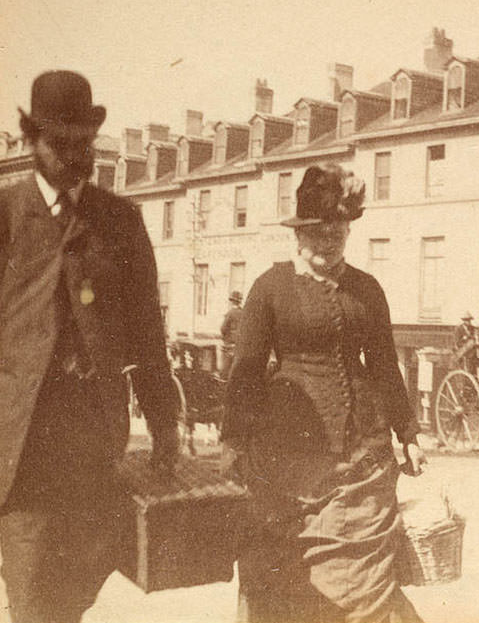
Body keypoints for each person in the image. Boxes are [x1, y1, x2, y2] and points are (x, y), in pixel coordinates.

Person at [0, 71, 180, 623]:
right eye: (61, 143)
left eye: (84, 142)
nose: (76, 155)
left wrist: (166, 428)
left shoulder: (121, 221)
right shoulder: (6, 215)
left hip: (92, 446)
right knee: (32, 597)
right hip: (22, 447)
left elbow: (148, 336)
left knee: (72, 598)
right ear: (33, 142)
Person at [223, 164, 427, 623]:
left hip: (362, 454)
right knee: (285, 578)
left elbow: (383, 365)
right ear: (298, 233)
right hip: (285, 454)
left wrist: (408, 432)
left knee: (365, 582)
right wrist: (233, 439)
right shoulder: (270, 288)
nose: (328, 238)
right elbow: (247, 371)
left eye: (338, 228)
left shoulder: (367, 289)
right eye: (317, 229)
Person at [220, 290, 244, 379]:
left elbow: (223, 328)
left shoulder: (230, 313)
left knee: (225, 370)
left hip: (229, 345)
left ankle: (223, 383)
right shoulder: (243, 312)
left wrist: (224, 338)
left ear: (232, 301)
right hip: (240, 345)